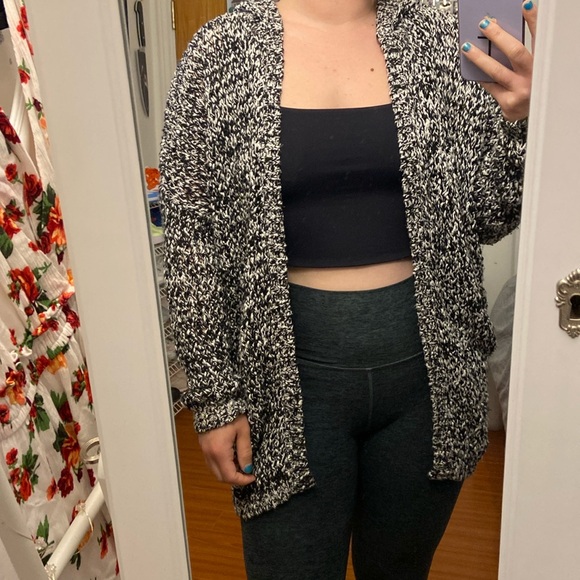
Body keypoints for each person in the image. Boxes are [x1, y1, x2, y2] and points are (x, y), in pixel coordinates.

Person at [159, 0, 535, 577]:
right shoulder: (219, 52)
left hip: (430, 387)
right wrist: (214, 395)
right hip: (286, 390)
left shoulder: (441, 36)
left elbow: (489, 213)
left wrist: (523, 121)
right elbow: (193, 242)